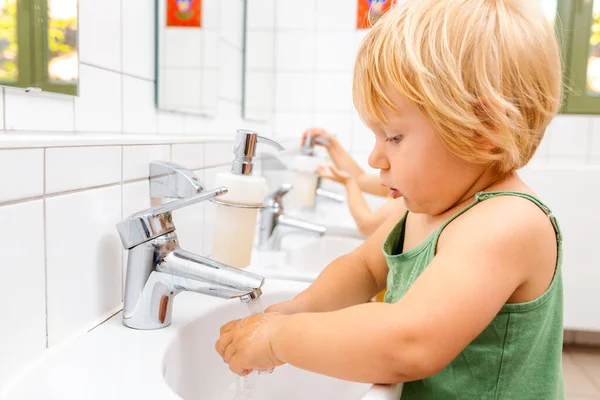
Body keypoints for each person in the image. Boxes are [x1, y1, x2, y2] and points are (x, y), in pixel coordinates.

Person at [216, 0, 564, 398]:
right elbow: (363, 268)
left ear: (482, 130)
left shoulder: (506, 223)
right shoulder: (430, 206)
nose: (374, 158)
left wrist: (281, 339)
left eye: (394, 137)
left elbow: (409, 343)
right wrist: (296, 310)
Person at [302, 127, 404, 237]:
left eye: (395, 139)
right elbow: (360, 178)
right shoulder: (398, 183)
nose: (374, 161)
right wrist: (331, 144)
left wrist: (349, 183)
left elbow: (366, 225)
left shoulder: (408, 200)